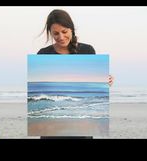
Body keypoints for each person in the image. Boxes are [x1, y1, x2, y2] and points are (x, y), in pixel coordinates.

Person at [37, 9, 114, 139]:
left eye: (64, 32)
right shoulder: (43, 54)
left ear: (71, 29)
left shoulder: (87, 50)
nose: (61, 37)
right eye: (56, 33)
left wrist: (105, 82)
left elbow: (93, 88)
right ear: (50, 33)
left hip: (81, 123)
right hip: (52, 124)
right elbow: (41, 90)